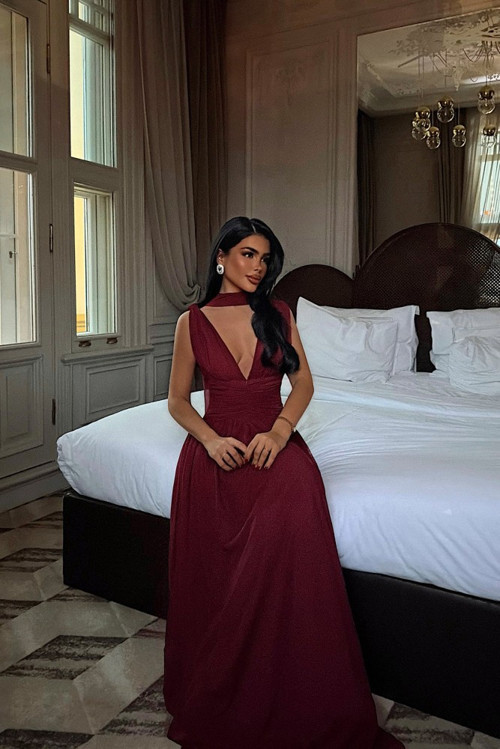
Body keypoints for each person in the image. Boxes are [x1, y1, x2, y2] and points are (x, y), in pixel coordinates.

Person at [163, 216, 403, 748]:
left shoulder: (278, 313)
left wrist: (279, 431)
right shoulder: (191, 322)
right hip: (214, 453)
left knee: (294, 507)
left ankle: (292, 680)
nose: (258, 266)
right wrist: (210, 441)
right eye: (247, 254)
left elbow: (304, 383)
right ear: (221, 257)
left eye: (265, 257)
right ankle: (224, 681)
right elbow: (177, 401)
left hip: (274, 442)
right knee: (214, 576)